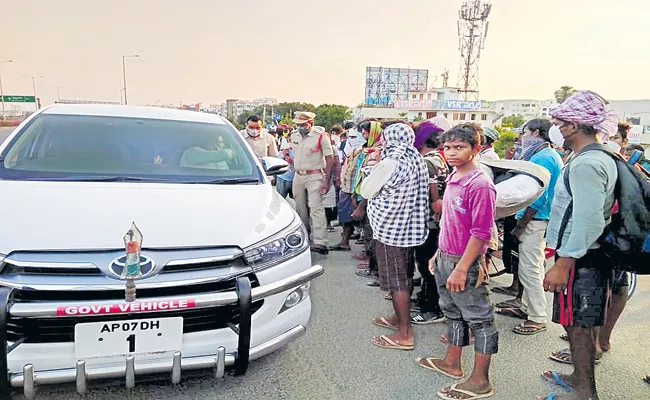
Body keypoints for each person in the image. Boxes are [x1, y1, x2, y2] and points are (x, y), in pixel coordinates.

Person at [538, 90, 618, 400]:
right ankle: (578, 377)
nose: (556, 127)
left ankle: (586, 392)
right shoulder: (592, 156)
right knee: (575, 322)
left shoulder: (587, 164)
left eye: (559, 121)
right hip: (583, 255)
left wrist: (563, 264)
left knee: (581, 325)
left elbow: (588, 221)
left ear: (573, 125)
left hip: (582, 258)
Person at [416, 123, 497, 400]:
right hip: (446, 257)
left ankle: (481, 380)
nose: (451, 152)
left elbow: (481, 232)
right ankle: (452, 363)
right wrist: (439, 254)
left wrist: (462, 267)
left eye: (459, 147)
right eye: (447, 147)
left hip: (465, 261)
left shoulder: (480, 184)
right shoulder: (454, 176)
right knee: (451, 311)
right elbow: (451, 222)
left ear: (476, 149)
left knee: (480, 320)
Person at [497, 119, 564, 336]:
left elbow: (537, 195)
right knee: (529, 265)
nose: (522, 137)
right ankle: (527, 307)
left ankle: (537, 316)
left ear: (536, 133)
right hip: (536, 218)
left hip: (536, 219)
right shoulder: (544, 154)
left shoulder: (543, 157)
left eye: (525, 132)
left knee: (530, 268)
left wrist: (521, 224)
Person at [368, 123, 429, 350]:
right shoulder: (416, 159)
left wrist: (372, 168)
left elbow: (367, 190)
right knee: (404, 274)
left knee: (397, 282)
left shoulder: (390, 162)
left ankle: (404, 333)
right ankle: (399, 319)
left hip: (390, 230)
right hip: (410, 229)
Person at [411, 120, 448, 324]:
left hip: (430, 221)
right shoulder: (435, 158)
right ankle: (427, 300)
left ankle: (432, 309)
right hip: (433, 220)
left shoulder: (428, 161)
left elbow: (429, 190)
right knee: (427, 264)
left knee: (427, 265)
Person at [291, 111, 336, 255]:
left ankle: (320, 242)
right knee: (300, 208)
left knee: (316, 208)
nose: (300, 127)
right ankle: (304, 239)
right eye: (298, 125)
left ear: (310, 123)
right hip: (298, 176)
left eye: (303, 124)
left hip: (315, 175)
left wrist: (327, 181)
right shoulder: (294, 136)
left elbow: (330, 159)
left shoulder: (321, 137)